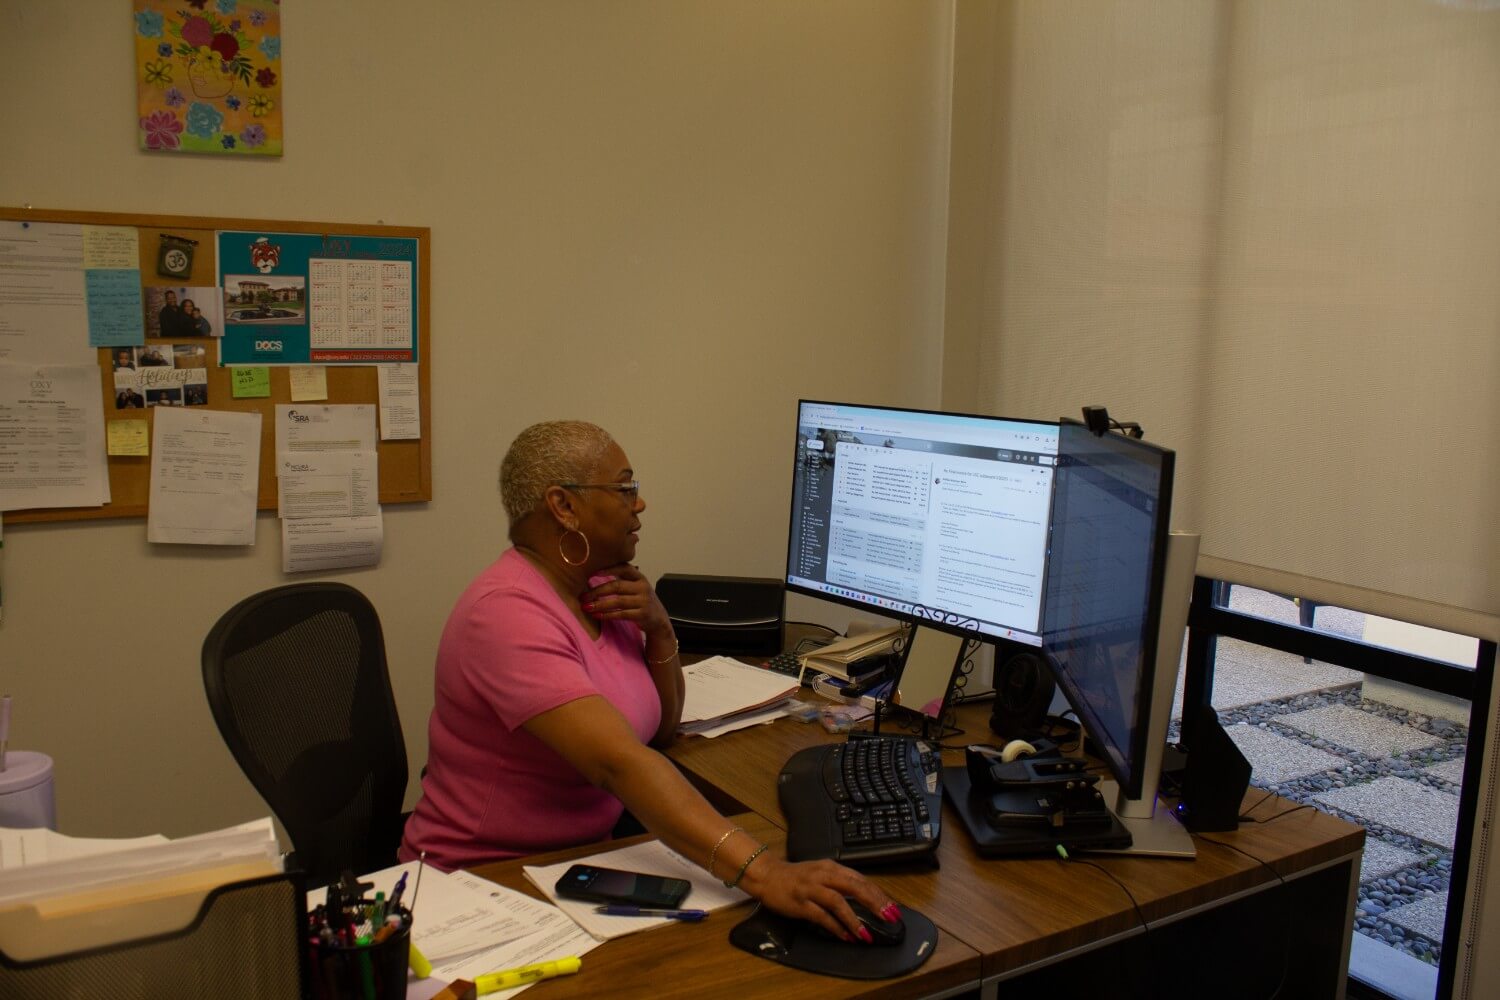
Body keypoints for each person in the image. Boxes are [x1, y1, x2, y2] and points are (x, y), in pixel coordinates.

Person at [401, 420, 898, 942]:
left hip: (577, 865)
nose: (640, 504)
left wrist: (659, 628)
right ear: (563, 506)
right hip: (482, 885)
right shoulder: (505, 614)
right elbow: (621, 762)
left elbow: (658, 731)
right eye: (625, 489)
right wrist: (765, 872)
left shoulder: (602, 589)